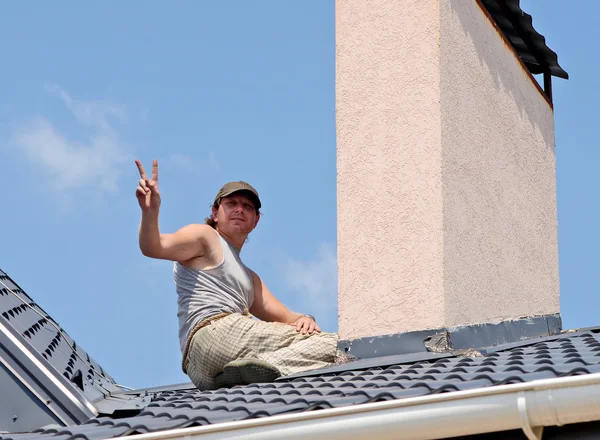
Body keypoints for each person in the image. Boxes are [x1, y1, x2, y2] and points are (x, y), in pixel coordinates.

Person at [134, 159, 341, 390]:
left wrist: (306, 319)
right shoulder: (205, 237)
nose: (239, 209)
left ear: (256, 220)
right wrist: (150, 213)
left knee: (323, 346)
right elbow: (154, 247)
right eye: (231, 203)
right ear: (215, 212)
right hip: (214, 333)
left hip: (202, 372)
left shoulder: (250, 278)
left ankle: (246, 372)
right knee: (339, 346)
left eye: (248, 206)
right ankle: (267, 365)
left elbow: (288, 319)